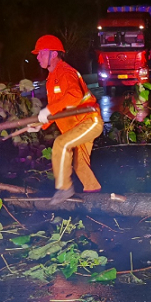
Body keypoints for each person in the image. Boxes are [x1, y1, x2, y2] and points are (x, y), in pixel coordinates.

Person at [28, 34, 104, 205]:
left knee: (61, 144)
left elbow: (74, 96)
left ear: (53, 54)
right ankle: (94, 196)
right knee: (79, 164)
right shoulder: (51, 79)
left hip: (88, 122)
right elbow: (57, 108)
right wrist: (41, 124)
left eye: (40, 53)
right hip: (77, 126)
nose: (37, 57)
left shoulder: (65, 72)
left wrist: (48, 110)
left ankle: (64, 188)